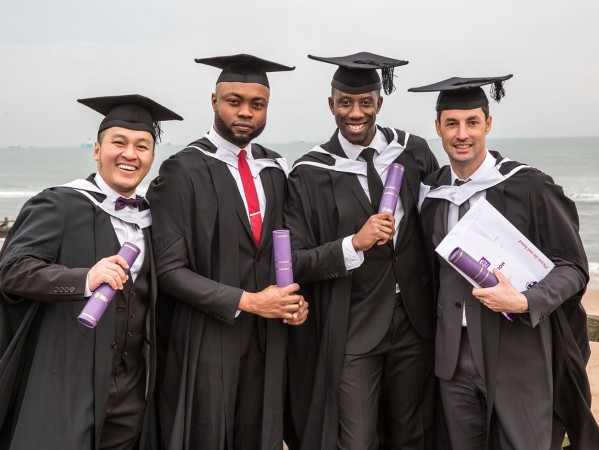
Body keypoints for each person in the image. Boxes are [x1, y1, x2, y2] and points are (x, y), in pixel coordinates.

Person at [410, 76, 599, 449]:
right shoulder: (431, 193)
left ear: (488, 124)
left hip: (517, 353)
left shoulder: (529, 186)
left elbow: (573, 267)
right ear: (438, 128)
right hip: (452, 359)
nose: (462, 134)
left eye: (472, 123)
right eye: (452, 123)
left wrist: (527, 301)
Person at [0, 94, 182, 449]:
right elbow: (12, 270)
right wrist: (83, 279)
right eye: (119, 142)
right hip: (65, 384)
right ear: (97, 150)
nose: (130, 154)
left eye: (142, 146)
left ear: (151, 158)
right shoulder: (59, 204)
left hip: (130, 394)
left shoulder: (150, 220)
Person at [146, 54, 308, 450]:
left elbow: (280, 253)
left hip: (268, 339)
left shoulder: (273, 169)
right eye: (234, 101)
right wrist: (249, 301)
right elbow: (168, 270)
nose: (245, 113)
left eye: (257, 104)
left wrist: (292, 303)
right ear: (214, 100)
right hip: (206, 339)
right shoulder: (181, 170)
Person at [283, 52, 439, 450]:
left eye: (366, 102)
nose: (356, 112)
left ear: (379, 104)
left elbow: (444, 216)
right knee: (355, 439)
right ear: (331, 104)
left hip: (414, 321)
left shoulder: (413, 152)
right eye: (345, 103)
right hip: (354, 325)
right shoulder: (311, 172)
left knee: (412, 434)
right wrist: (354, 243)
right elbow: (296, 260)